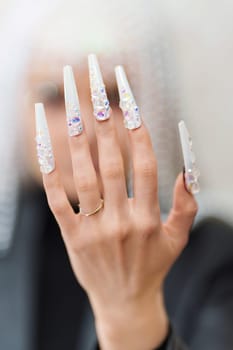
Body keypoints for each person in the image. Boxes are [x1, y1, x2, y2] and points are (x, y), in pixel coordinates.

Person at [1, 1, 233, 349]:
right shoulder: (10, 243)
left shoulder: (212, 255)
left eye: (109, 97)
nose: (83, 131)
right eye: (53, 96)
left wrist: (132, 314)